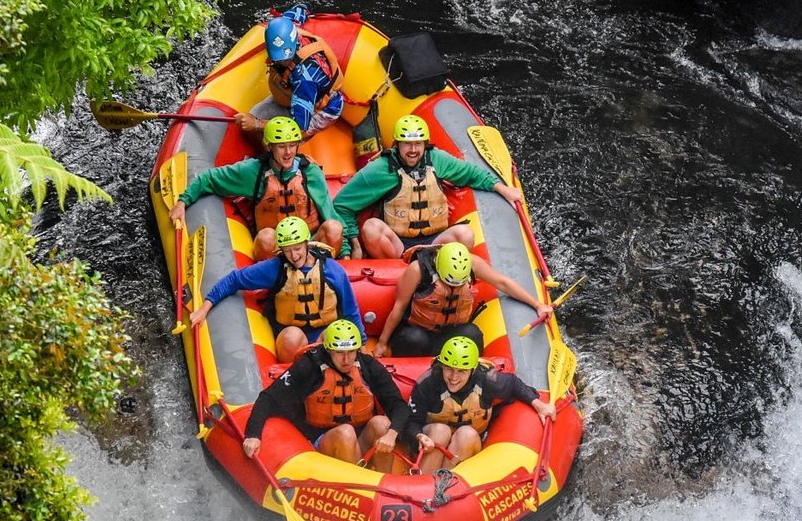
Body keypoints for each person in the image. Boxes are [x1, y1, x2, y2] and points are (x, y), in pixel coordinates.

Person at [332, 114, 529, 259]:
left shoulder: (437, 159)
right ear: (396, 145)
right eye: (407, 144)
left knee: (465, 234)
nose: (413, 150)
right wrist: (353, 244)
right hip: (397, 246)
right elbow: (342, 205)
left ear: (425, 144)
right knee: (371, 228)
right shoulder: (381, 168)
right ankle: (399, 270)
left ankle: (438, 265)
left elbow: (472, 174)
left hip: (434, 242)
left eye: (418, 144)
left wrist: (502, 189)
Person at [190, 216, 363, 363]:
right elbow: (234, 280)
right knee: (292, 337)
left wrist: (361, 345)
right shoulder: (275, 268)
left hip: (326, 335)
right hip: (292, 337)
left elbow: (351, 310)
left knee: (335, 335)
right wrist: (205, 307)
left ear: (306, 244)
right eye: (287, 251)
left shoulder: (333, 271)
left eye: (297, 249)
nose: (294, 256)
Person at [242, 319, 408, 471]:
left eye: (351, 352)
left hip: (361, 439)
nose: (346, 359)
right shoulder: (308, 366)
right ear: (328, 350)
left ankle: (384, 483)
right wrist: (253, 435)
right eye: (339, 352)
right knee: (345, 432)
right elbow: (268, 398)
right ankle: (354, 487)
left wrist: (391, 434)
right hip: (323, 441)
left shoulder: (368, 365)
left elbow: (398, 405)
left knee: (382, 423)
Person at [169, 117, 343, 260]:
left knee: (334, 228)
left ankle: (319, 275)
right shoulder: (253, 171)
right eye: (281, 146)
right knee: (266, 236)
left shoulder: (310, 171)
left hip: (308, 245)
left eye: (292, 145)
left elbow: (328, 211)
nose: (288, 152)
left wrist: (347, 252)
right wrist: (183, 201)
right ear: (270, 147)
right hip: (277, 250)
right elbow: (209, 178)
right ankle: (276, 282)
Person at [403, 336, 557, 475]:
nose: (454, 377)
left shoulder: (486, 380)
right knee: (440, 430)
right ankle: (422, 482)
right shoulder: (427, 383)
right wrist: (419, 436)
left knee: (466, 434)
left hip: (467, 443)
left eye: (461, 371)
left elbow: (513, 384)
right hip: (433, 441)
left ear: (472, 370)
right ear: (442, 366)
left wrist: (539, 405)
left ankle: (444, 484)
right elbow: (411, 421)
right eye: (449, 369)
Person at [373, 242, 553, 358]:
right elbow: (399, 307)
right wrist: (382, 343)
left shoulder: (471, 264)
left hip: (450, 332)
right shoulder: (417, 270)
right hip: (419, 330)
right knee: (413, 338)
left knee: (472, 333)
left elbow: (503, 283)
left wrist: (537, 305)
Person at [233, 4, 345, 139]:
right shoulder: (290, 27)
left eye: (285, 59)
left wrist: (257, 124)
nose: (281, 62)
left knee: (282, 139)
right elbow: (301, 8)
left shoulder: (305, 80)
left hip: (323, 110)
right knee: (252, 119)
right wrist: (306, 8)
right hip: (291, 95)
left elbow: (298, 127)